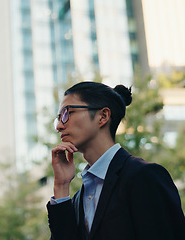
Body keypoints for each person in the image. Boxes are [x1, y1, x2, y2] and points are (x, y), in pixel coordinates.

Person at [46, 81, 185, 240]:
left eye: (66, 113)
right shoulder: (77, 199)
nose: (59, 126)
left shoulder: (144, 176)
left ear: (103, 116)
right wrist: (61, 186)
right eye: (59, 118)